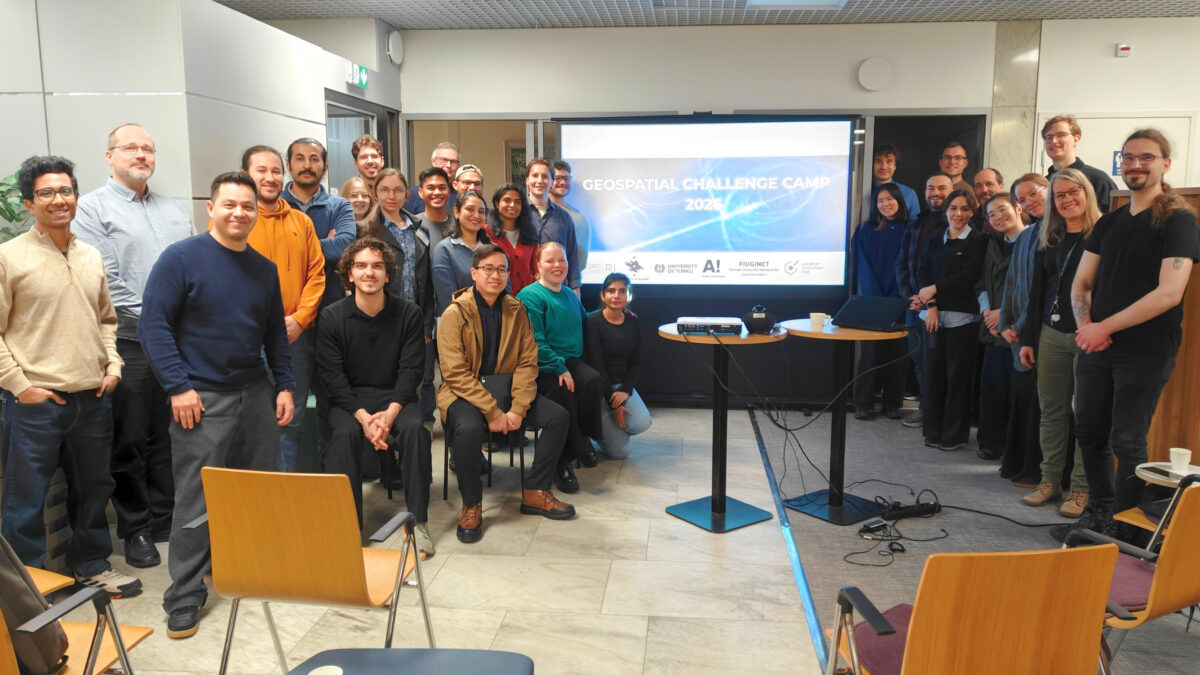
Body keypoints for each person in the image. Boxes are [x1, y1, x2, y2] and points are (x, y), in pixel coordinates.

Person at [141, 171, 295, 639]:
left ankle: (245, 571)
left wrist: (285, 385)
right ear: (210, 208)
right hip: (200, 398)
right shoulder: (180, 259)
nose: (239, 213)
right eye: (229, 204)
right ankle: (184, 596)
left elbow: (274, 335)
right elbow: (154, 327)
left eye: (247, 206)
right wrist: (177, 387)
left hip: (255, 394)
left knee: (254, 492)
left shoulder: (263, 269)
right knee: (195, 499)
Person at [0, 155, 140, 598]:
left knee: (94, 489)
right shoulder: (9, 257)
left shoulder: (89, 255)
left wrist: (113, 365)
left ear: (76, 197)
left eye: (65, 191)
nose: (58, 200)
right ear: (28, 202)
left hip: (92, 398)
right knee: (26, 501)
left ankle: (91, 565)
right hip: (36, 404)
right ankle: (27, 590)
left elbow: (106, 320)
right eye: (46, 193)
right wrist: (20, 386)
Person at [1054, 128, 1198, 541]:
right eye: (1129, 158)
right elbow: (1081, 284)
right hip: (1097, 344)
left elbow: (1170, 293)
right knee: (1089, 432)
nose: (1135, 164)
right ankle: (1100, 515)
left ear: (1165, 164)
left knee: (1127, 438)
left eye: (1146, 157)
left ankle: (1128, 528)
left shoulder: (1178, 220)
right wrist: (1087, 331)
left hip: (1147, 348)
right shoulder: (1111, 222)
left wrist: (1103, 328)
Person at [73, 123, 193, 569]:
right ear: (109, 155)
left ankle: (165, 518)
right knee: (131, 438)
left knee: (172, 434)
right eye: (130, 148)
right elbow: (106, 280)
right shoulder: (91, 209)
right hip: (130, 340)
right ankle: (136, 528)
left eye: (147, 148)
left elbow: (193, 269)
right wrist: (161, 321)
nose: (140, 155)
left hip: (180, 342)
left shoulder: (174, 210)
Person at [438, 244, 576, 543]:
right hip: (466, 394)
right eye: (488, 269)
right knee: (468, 426)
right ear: (474, 273)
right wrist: (493, 411)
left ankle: (535, 491)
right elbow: (455, 374)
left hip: (508, 392)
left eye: (501, 269)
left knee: (557, 417)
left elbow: (528, 362)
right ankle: (472, 504)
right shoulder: (455, 313)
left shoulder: (516, 309)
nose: (495, 275)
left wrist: (517, 409)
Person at [317, 237, 433, 554]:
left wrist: (389, 414)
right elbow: (333, 378)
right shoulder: (330, 317)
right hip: (350, 400)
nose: (370, 272)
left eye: (378, 266)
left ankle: (419, 522)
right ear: (349, 274)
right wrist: (364, 418)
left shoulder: (408, 314)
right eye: (362, 266)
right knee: (341, 436)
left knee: (414, 431)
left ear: (388, 274)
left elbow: (412, 371)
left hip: (396, 396)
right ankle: (346, 529)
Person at [237, 145, 325, 472]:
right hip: (248, 341)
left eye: (276, 171)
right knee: (252, 421)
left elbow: (316, 275)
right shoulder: (238, 220)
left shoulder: (301, 222)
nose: (270, 177)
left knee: (291, 419)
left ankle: (283, 499)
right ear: (246, 175)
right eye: (261, 170)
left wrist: (300, 320)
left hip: (294, 338)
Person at [1018, 169, 1098, 517]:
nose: (1066, 200)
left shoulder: (1103, 235)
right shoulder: (1049, 237)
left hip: (1088, 335)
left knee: (1086, 415)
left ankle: (1081, 489)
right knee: (1051, 412)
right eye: (1058, 196)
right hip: (1050, 334)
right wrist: (1028, 339)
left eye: (1072, 192)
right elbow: (1038, 292)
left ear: (1086, 192)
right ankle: (1050, 480)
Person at [517, 242, 606, 492]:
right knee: (563, 392)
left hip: (569, 360)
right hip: (540, 366)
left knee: (593, 382)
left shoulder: (568, 294)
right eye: (550, 261)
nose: (557, 265)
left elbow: (587, 320)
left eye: (562, 260)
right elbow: (536, 341)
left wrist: (615, 313)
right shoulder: (530, 296)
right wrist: (559, 368)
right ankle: (562, 462)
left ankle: (582, 441)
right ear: (538, 266)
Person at [362, 168, 436, 429]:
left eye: (397, 190)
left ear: (407, 195)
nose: (391, 196)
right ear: (375, 192)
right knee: (384, 382)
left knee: (414, 381)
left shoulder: (419, 228)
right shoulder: (366, 229)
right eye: (384, 190)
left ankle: (413, 437)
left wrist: (426, 323)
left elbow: (426, 281)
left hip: (414, 319)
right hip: (380, 318)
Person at [915, 189, 987, 451]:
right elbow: (922, 271)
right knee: (933, 376)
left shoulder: (979, 240)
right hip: (933, 316)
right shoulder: (936, 237)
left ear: (972, 212)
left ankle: (954, 435)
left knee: (958, 378)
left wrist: (935, 289)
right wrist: (931, 303)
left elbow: (968, 277)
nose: (958, 214)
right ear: (946, 211)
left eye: (965, 209)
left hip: (963, 320)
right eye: (953, 208)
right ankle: (933, 432)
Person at [997, 173, 1049, 485]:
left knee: (1039, 405)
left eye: (1033, 194)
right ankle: (1016, 465)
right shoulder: (1028, 234)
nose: (1029, 202)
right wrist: (1005, 322)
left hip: (1042, 332)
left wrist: (1019, 324)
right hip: (1017, 333)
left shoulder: (1057, 232)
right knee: (1021, 398)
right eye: (1024, 199)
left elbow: (1044, 291)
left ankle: (1036, 470)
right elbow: (1012, 283)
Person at [895, 173, 954, 429]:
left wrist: (930, 299)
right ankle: (925, 409)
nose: (935, 193)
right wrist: (910, 295)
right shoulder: (916, 223)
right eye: (931, 188)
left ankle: (938, 413)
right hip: (915, 305)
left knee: (938, 363)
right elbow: (902, 262)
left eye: (942, 188)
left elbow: (946, 270)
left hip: (939, 308)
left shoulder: (955, 224)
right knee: (919, 361)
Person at [851, 184, 911, 420]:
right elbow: (862, 267)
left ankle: (892, 404)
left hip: (901, 300)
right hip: (873, 302)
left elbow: (910, 265)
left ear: (899, 200)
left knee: (898, 353)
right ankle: (863, 403)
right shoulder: (866, 231)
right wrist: (877, 298)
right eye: (880, 201)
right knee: (870, 354)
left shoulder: (910, 229)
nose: (886, 204)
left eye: (890, 199)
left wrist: (900, 294)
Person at [974, 193, 1025, 461]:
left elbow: (1031, 288)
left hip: (1019, 328)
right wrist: (987, 312)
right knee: (992, 388)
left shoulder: (1033, 242)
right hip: (992, 328)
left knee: (1019, 393)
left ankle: (1015, 450)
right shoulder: (993, 244)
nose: (997, 217)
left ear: (1018, 208)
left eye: (1002, 210)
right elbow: (982, 281)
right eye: (991, 214)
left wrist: (1003, 314)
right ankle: (990, 443)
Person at [283, 137, 357, 310]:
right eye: (299, 158)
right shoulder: (276, 205)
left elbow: (344, 247)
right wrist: (324, 243)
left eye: (314, 159)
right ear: (288, 166)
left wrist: (289, 249)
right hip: (286, 310)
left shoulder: (340, 206)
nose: (307, 165)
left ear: (325, 167)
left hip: (330, 306)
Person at [584, 273, 652, 458]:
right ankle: (596, 431)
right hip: (599, 389)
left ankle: (610, 430)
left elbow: (636, 363)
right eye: (611, 291)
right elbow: (597, 366)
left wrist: (625, 392)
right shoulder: (592, 322)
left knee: (642, 422)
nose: (616, 296)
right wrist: (614, 405)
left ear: (628, 296)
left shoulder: (633, 321)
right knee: (621, 453)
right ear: (602, 295)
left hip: (620, 388)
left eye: (622, 291)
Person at [1042, 115, 1118, 214]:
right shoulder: (1044, 183)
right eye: (1049, 137)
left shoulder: (1098, 179)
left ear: (1076, 139)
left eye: (1061, 135)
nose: (1054, 141)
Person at [433, 191, 492, 317]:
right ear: (456, 212)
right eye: (470, 209)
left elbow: (505, 289)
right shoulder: (444, 250)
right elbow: (447, 298)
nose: (476, 215)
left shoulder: (493, 250)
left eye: (481, 211)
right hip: (456, 323)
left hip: (491, 321)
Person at [525, 158, 581, 292]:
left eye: (545, 176)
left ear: (551, 181)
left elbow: (572, 256)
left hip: (557, 291)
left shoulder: (564, 217)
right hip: (523, 290)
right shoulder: (517, 214)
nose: (539, 181)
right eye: (535, 176)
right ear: (527, 180)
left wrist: (575, 289)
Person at [488, 182, 539, 294]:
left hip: (527, 300)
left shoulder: (530, 233)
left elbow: (536, 270)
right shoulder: (486, 233)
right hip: (497, 300)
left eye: (517, 202)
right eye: (507, 200)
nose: (512, 205)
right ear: (497, 204)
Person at [551, 160, 592, 273]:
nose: (563, 182)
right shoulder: (534, 213)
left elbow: (580, 263)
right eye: (558, 178)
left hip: (565, 285)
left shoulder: (577, 218)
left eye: (566, 178)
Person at [405, 142, 461, 214]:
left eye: (453, 161)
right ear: (433, 162)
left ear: (458, 165)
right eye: (443, 160)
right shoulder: (415, 193)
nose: (448, 165)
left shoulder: (461, 193)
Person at [869, 143, 920, 220]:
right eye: (878, 161)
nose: (883, 167)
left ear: (895, 166)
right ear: (871, 165)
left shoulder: (909, 194)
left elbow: (915, 226)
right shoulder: (862, 193)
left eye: (889, 161)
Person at [971, 168, 1005, 234]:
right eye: (979, 186)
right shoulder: (971, 223)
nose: (984, 190)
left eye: (989, 184)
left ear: (1001, 187)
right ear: (974, 190)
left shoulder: (1015, 216)